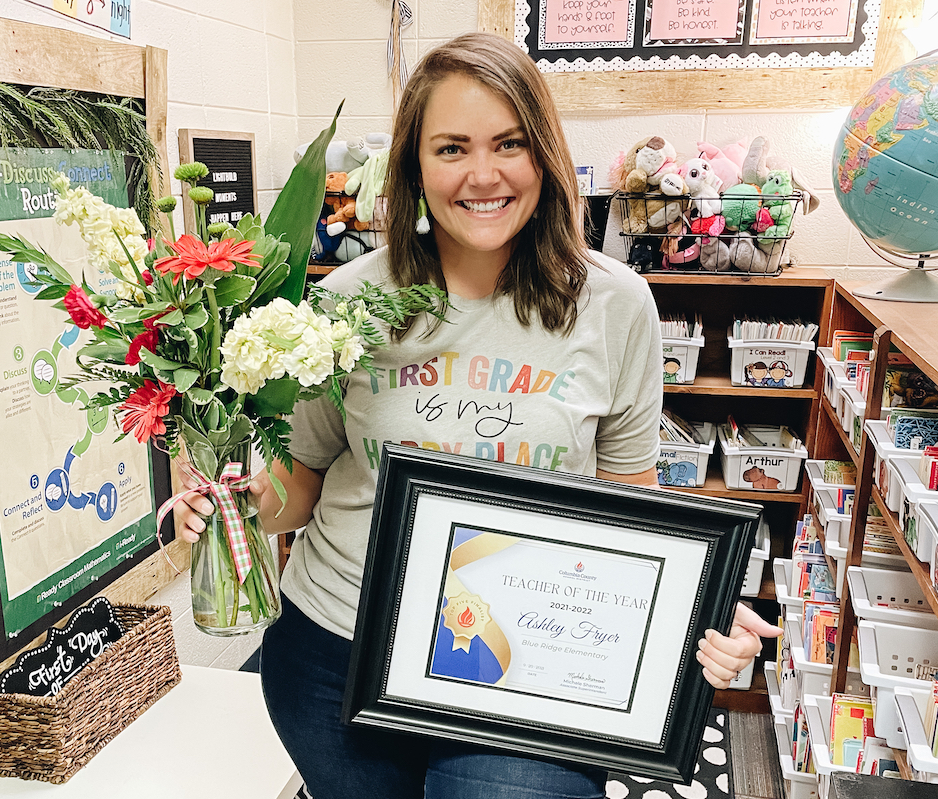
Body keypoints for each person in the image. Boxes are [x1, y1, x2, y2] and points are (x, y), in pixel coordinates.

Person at [175, 32, 780, 799]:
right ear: (414, 167)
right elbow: (303, 481)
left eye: (509, 144)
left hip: (531, 666)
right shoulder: (342, 305)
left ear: (544, 157)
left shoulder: (616, 303)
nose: (483, 174)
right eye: (452, 148)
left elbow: (638, 510)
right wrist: (237, 500)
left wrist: (704, 609)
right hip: (338, 652)